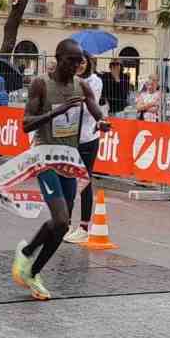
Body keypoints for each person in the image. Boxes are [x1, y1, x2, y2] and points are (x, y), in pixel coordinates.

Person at [12, 39, 109, 300]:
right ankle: (29, 260)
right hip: (45, 157)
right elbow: (26, 125)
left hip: (69, 158)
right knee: (61, 219)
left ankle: (31, 265)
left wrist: (101, 120)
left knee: (62, 225)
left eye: (80, 61)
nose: (76, 65)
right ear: (58, 58)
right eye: (71, 60)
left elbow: (93, 106)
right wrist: (58, 112)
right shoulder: (41, 84)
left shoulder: (82, 85)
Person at [64, 51, 103, 244]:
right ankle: (67, 223)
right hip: (71, 136)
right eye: (76, 62)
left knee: (84, 180)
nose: (80, 65)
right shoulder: (71, 79)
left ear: (89, 63)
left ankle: (84, 226)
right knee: (68, 179)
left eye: (83, 62)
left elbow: (88, 106)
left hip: (88, 136)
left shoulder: (94, 81)